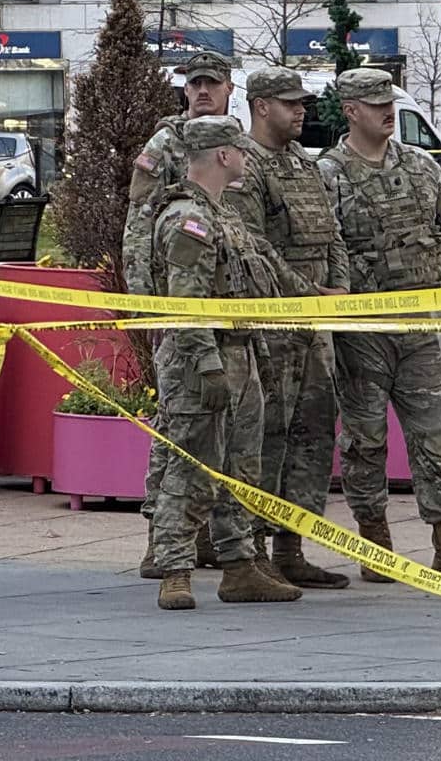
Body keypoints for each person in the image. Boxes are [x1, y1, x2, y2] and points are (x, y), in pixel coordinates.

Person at [319, 68, 441, 586]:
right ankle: (375, 544)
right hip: (362, 335)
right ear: (351, 110)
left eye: (389, 101)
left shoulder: (422, 168)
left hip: (420, 331)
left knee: (437, 438)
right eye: (375, 103)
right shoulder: (329, 174)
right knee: (365, 442)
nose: (387, 110)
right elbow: (325, 254)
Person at [151, 116, 318, 611]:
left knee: (243, 468)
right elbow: (187, 302)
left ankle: (240, 565)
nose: (246, 158)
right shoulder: (189, 220)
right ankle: (175, 569)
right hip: (201, 360)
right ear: (223, 155)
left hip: (242, 354)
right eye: (240, 150)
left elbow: (266, 271)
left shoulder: (224, 215)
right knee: (193, 466)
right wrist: (206, 365)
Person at [225, 68, 351, 590]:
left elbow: (333, 233)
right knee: (266, 437)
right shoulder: (242, 168)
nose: (301, 111)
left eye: (303, 103)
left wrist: (338, 289)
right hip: (273, 326)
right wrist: (308, 292)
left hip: (315, 326)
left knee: (314, 436)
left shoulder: (307, 167)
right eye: (290, 103)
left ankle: (291, 546)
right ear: (260, 106)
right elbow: (253, 247)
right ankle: (251, 553)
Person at [124, 47, 234, 580]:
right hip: (179, 303)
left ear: (229, 87)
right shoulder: (166, 145)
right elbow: (139, 227)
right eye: (195, 85)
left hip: (228, 310)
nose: (203, 91)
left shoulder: (238, 146)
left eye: (212, 83)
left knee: (221, 433)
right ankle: (159, 538)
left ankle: (207, 536)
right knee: (178, 425)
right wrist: (151, 307)